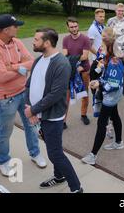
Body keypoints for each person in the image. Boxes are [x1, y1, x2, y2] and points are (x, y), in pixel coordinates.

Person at [0, 14, 46, 177]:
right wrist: (20, 69)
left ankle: (35, 153)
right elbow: (2, 76)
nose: (18, 28)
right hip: (6, 99)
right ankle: (3, 162)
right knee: (6, 132)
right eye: (15, 26)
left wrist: (13, 66)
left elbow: (33, 62)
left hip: (23, 93)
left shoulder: (16, 43)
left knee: (31, 125)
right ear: (6, 30)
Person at [24, 28, 82, 193]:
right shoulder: (38, 60)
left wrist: (33, 110)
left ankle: (76, 188)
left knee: (55, 153)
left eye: (36, 39)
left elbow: (55, 95)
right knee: (53, 147)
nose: (33, 42)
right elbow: (29, 85)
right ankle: (59, 176)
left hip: (52, 118)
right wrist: (31, 109)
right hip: (38, 115)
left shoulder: (61, 64)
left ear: (47, 42)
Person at [81, 27, 124, 165]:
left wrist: (98, 84)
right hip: (111, 94)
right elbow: (105, 73)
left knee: (102, 123)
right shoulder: (108, 55)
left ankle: (93, 155)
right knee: (115, 116)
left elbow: (114, 83)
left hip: (110, 95)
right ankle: (118, 142)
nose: (100, 50)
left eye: (102, 45)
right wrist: (99, 77)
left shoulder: (114, 60)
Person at [63, 17, 91, 127]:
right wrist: (75, 63)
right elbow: (65, 55)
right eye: (71, 27)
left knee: (84, 94)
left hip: (83, 70)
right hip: (70, 71)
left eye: (75, 26)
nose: (74, 29)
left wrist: (72, 59)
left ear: (78, 26)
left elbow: (85, 56)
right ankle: (63, 120)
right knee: (66, 96)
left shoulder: (85, 39)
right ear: (68, 27)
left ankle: (83, 115)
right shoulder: (65, 39)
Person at [107, 3, 124, 97]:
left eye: (122, 11)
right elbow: (108, 35)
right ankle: (114, 86)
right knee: (114, 68)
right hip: (115, 50)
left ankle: (123, 86)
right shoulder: (111, 21)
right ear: (116, 11)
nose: (120, 12)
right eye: (119, 10)